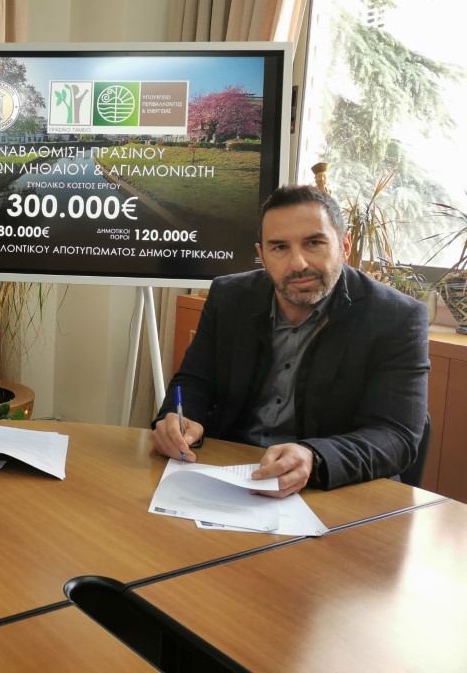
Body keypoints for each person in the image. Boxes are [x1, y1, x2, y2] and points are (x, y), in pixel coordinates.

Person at [152, 184, 429, 497]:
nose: (298, 263)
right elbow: (193, 381)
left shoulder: (397, 317)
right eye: (280, 247)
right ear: (262, 255)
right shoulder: (228, 296)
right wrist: (177, 418)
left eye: (314, 243)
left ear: (344, 245)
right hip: (230, 475)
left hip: (332, 488)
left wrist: (313, 456)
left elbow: (396, 436)